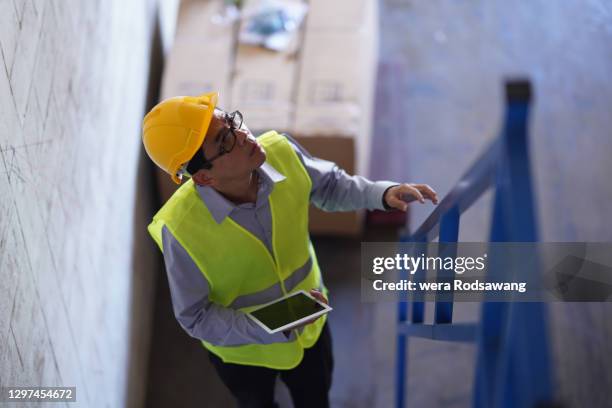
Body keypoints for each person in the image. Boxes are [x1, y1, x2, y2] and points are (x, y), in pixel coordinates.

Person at [142, 92, 438, 408]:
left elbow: (330, 187)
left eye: (232, 120)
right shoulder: (181, 229)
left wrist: (382, 193)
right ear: (203, 176)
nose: (244, 135)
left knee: (315, 397)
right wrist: (270, 325)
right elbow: (196, 317)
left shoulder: (281, 152)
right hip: (246, 356)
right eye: (226, 140)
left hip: (310, 322)